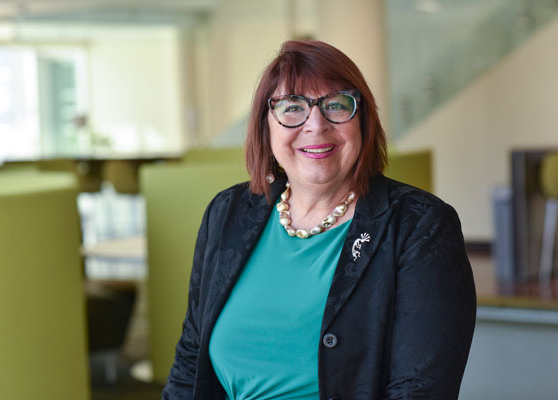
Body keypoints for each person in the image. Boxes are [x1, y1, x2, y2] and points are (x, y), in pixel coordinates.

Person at [162, 39, 476, 400]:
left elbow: (420, 390)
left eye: (336, 105)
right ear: (266, 126)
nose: (316, 125)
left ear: (363, 121)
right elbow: (191, 361)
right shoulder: (227, 213)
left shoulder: (420, 226)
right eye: (292, 107)